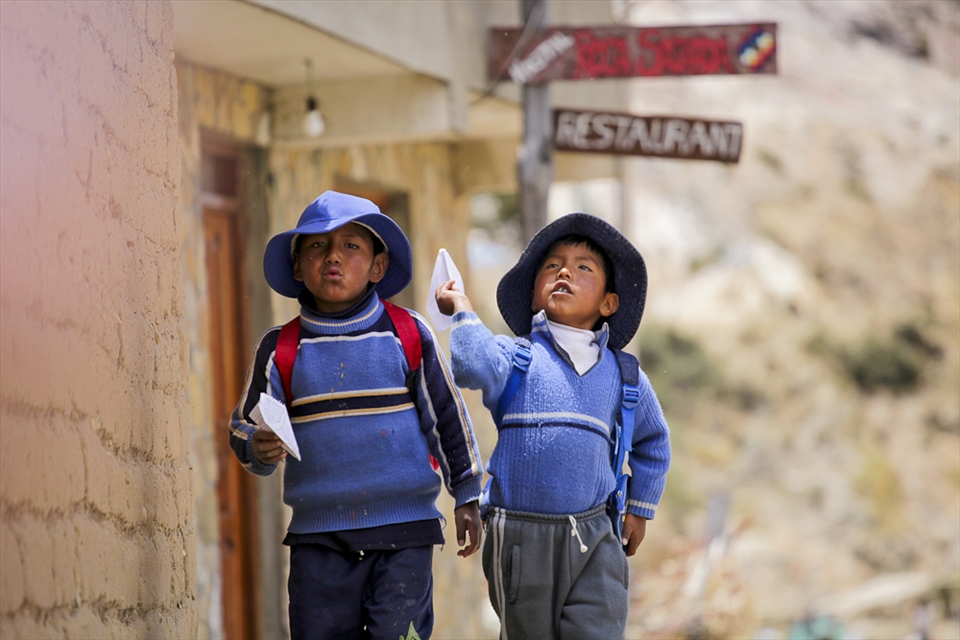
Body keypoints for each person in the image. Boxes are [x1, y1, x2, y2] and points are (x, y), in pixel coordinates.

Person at [231, 191, 484, 640]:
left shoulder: (408, 333)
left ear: (377, 267)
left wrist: (466, 493)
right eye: (316, 246)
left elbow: (446, 416)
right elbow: (243, 427)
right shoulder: (281, 348)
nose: (333, 257)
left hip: (404, 534)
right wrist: (257, 446)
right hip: (318, 541)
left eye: (351, 246)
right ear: (296, 267)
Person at [436, 212, 671, 639]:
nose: (565, 270)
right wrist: (464, 312)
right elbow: (470, 365)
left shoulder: (625, 376)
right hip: (520, 538)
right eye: (552, 265)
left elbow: (653, 442)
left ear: (608, 303)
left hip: (596, 533)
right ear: (533, 296)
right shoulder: (516, 357)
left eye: (584, 267)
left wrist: (639, 508)